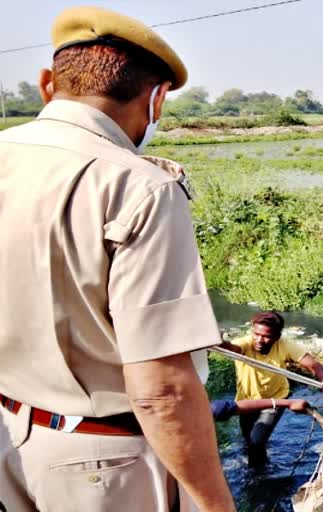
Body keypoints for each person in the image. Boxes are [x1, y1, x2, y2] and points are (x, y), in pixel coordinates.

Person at [0, 6, 234, 512]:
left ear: (46, 84)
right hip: (105, 469)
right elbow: (162, 390)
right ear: (155, 101)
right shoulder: (138, 186)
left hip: (10, 439)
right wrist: (216, 504)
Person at [219, 312, 323, 467]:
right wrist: (218, 340)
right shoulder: (245, 343)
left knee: (256, 442)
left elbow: (312, 364)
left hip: (276, 399)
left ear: (277, 336)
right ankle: (257, 466)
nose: (259, 340)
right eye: (256, 334)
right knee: (248, 441)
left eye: (266, 336)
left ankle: (258, 477)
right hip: (247, 401)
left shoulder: (285, 345)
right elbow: (231, 348)